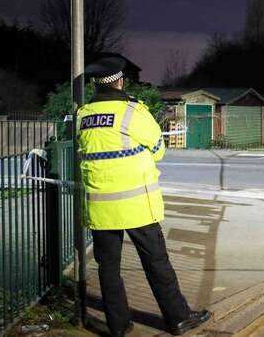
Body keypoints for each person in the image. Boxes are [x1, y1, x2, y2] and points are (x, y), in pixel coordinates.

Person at [77, 56, 210, 337]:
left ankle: (118, 325)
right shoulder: (133, 112)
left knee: (108, 268)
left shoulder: (83, 115)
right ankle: (178, 318)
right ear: (120, 81)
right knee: (156, 262)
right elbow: (158, 148)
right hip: (137, 204)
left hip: (101, 207)